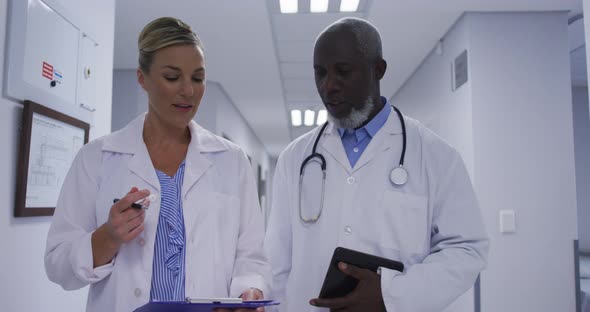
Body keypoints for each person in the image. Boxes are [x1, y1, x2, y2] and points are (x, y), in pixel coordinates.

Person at [45, 17, 270, 312]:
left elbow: (251, 256)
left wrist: (250, 290)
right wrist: (108, 237)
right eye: (172, 77)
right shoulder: (98, 157)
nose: (188, 91)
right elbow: (57, 264)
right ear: (142, 78)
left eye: (198, 78)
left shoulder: (231, 160)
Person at [264, 17, 489, 312]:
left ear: (378, 70)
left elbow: (466, 249)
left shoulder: (436, 156)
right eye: (320, 73)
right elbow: (276, 261)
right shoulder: (296, 158)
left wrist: (392, 295)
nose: (328, 85)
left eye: (342, 72)